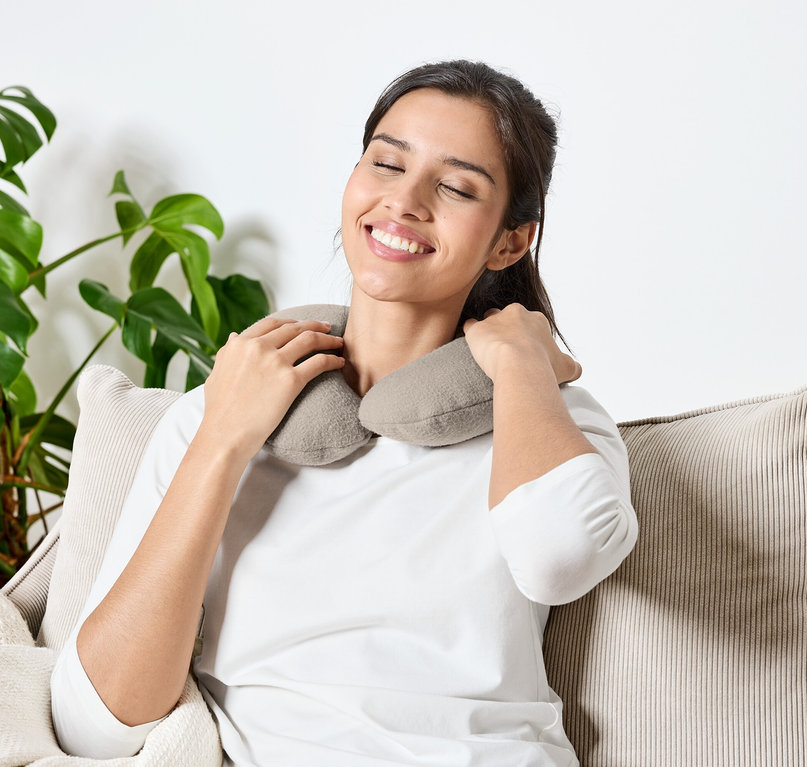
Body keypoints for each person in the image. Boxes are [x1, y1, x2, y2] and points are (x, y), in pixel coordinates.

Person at [50, 60, 638, 766]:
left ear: (510, 241)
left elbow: (560, 560)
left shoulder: (552, 418)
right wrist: (224, 439)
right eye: (386, 164)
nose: (406, 201)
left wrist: (518, 362)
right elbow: (98, 725)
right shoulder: (222, 414)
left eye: (454, 186)